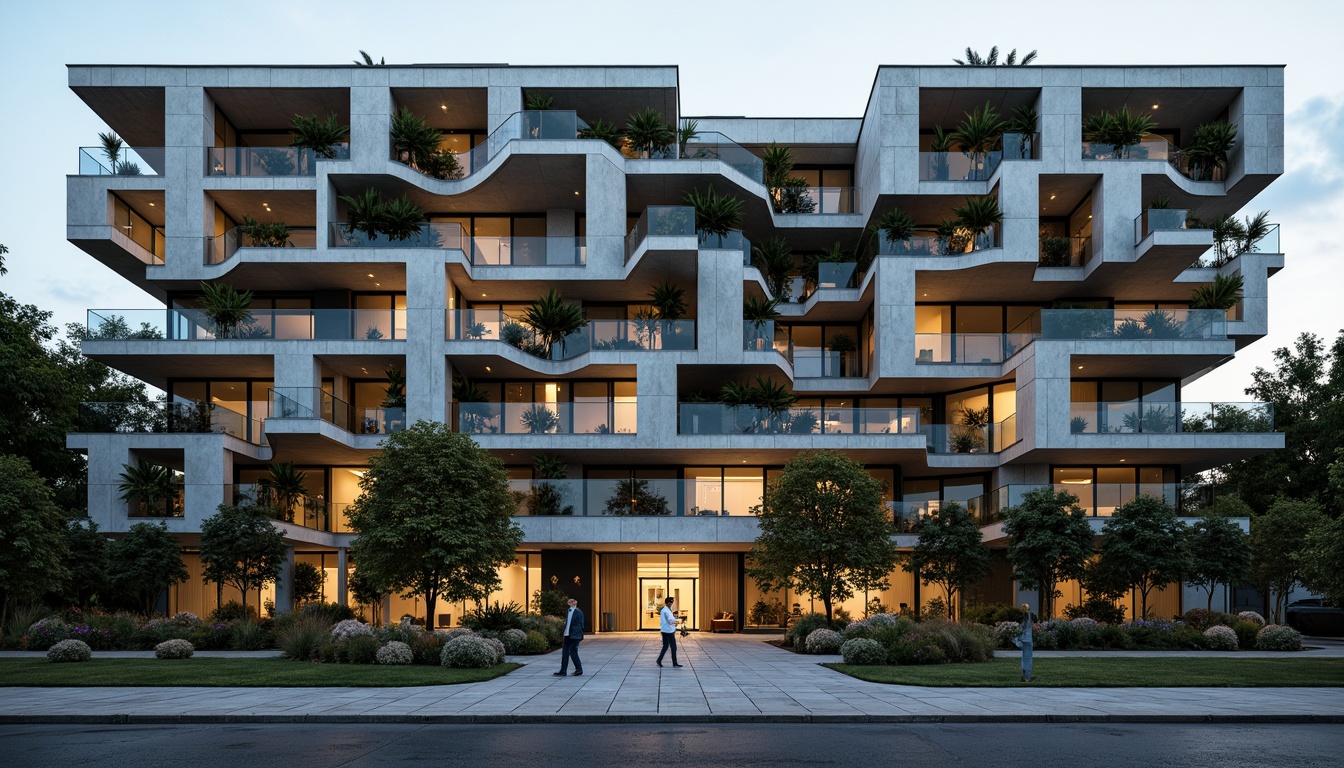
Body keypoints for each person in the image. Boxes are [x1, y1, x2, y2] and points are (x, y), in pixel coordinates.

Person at [554, 597, 584, 677]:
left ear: (575, 602)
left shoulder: (578, 612)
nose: (570, 603)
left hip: (574, 636)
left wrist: (577, 635)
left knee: (573, 652)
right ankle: (563, 670)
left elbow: (581, 625)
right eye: (569, 602)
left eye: (572, 602)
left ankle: (579, 669)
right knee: (565, 653)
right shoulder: (569, 611)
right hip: (567, 635)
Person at [656, 597, 683, 668]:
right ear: (668, 603)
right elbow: (670, 620)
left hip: (665, 630)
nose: (672, 604)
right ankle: (674, 663)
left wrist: (676, 620)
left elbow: (671, 619)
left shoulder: (665, 610)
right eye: (671, 602)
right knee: (673, 647)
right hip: (669, 631)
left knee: (665, 646)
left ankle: (659, 660)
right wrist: (678, 621)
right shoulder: (666, 611)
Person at [1011, 602, 1035, 682]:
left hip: (1026, 639)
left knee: (1026, 658)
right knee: (1027, 658)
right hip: (1026, 639)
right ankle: (1027, 676)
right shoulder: (1027, 618)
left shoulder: (1026, 618)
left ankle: (1026, 676)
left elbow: (1024, 628)